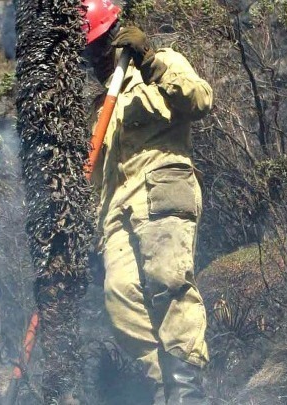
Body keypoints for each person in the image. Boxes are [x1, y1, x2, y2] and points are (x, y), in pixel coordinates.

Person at [82, 0, 213, 403]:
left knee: (168, 284)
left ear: (116, 36)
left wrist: (151, 61)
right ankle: (161, 391)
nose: (97, 56)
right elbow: (99, 179)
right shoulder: (99, 107)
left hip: (162, 191)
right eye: (90, 51)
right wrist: (90, 231)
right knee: (119, 297)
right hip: (116, 214)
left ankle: (188, 393)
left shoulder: (163, 64)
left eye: (101, 45)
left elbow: (200, 100)